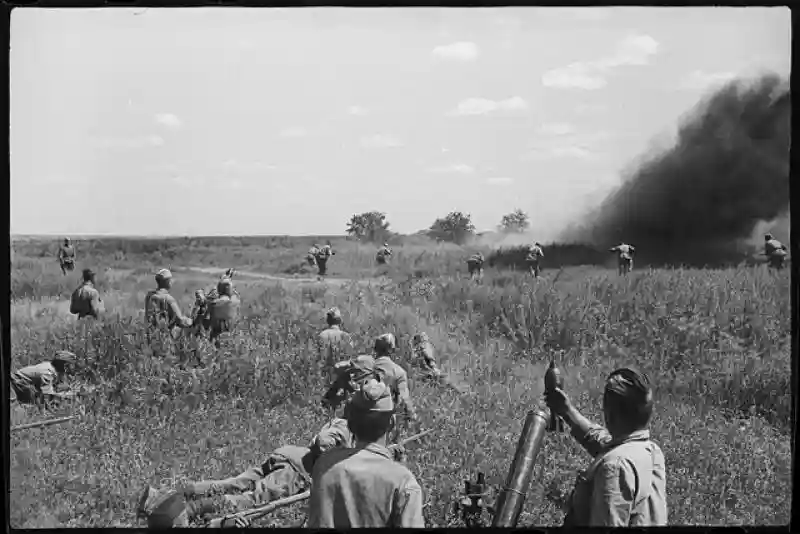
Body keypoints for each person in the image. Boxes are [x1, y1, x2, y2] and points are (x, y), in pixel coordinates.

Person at [137, 418, 357, 527]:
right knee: (251, 499)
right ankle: (191, 511)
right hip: (297, 471)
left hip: (289, 453)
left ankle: (169, 493)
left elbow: (318, 440)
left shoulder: (340, 420)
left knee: (232, 483)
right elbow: (326, 447)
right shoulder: (351, 431)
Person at [545, 368, 667, 527]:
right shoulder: (650, 451)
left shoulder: (614, 468)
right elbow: (603, 442)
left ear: (609, 414)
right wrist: (567, 411)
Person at [307, 379, 425, 528]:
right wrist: (397, 467)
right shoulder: (403, 482)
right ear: (391, 423)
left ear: (349, 424)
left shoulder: (323, 465)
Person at [372, 333, 417, 421]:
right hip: (383, 417)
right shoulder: (399, 372)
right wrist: (411, 413)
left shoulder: (367, 364)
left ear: (375, 348)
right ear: (392, 350)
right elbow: (405, 397)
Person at [10, 350, 77, 405]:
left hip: (20, 383)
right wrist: (68, 396)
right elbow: (47, 395)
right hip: (16, 383)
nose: (72, 367)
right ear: (65, 365)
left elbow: (56, 386)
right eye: (71, 365)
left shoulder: (51, 367)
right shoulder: (48, 372)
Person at [206, 278, 241, 347]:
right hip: (230, 334)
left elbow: (209, 302)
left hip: (216, 333)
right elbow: (235, 295)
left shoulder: (213, 303)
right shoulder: (235, 302)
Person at [317, 308, 353, 374]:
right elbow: (350, 359)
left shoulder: (322, 335)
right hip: (343, 375)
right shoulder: (347, 336)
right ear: (340, 321)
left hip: (327, 375)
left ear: (328, 320)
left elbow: (321, 359)